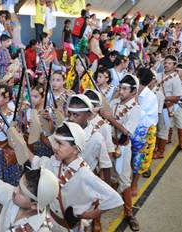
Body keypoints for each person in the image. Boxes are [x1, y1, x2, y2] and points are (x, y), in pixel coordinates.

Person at [29, 121, 123, 231]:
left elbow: (113, 198)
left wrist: (90, 215)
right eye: (55, 142)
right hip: (52, 222)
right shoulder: (55, 162)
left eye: (59, 143)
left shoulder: (83, 174)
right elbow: (37, 162)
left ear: (75, 149)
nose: (54, 147)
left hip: (70, 227)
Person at [0, 137, 59, 231]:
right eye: (19, 186)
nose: (15, 190)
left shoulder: (41, 229)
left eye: (21, 192)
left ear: (35, 205)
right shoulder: (13, 196)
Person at [99, 74, 141, 231]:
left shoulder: (135, 109)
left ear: (133, 92)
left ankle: (129, 213)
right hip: (109, 145)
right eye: (120, 88)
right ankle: (108, 201)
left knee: (124, 180)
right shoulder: (115, 102)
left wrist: (109, 118)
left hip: (122, 147)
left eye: (125, 89)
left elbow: (126, 131)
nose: (121, 91)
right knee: (106, 174)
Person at [130, 68, 158, 197]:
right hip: (127, 129)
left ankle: (134, 184)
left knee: (138, 159)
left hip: (142, 132)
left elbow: (149, 120)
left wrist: (135, 104)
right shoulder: (130, 90)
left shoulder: (150, 97)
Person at [153, 55, 182, 159]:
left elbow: (177, 97)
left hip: (166, 107)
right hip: (155, 106)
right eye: (165, 62)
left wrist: (163, 97)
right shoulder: (159, 75)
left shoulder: (176, 79)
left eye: (169, 63)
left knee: (163, 131)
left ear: (174, 65)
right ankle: (155, 147)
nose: (166, 65)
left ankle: (161, 152)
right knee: (155, 129)